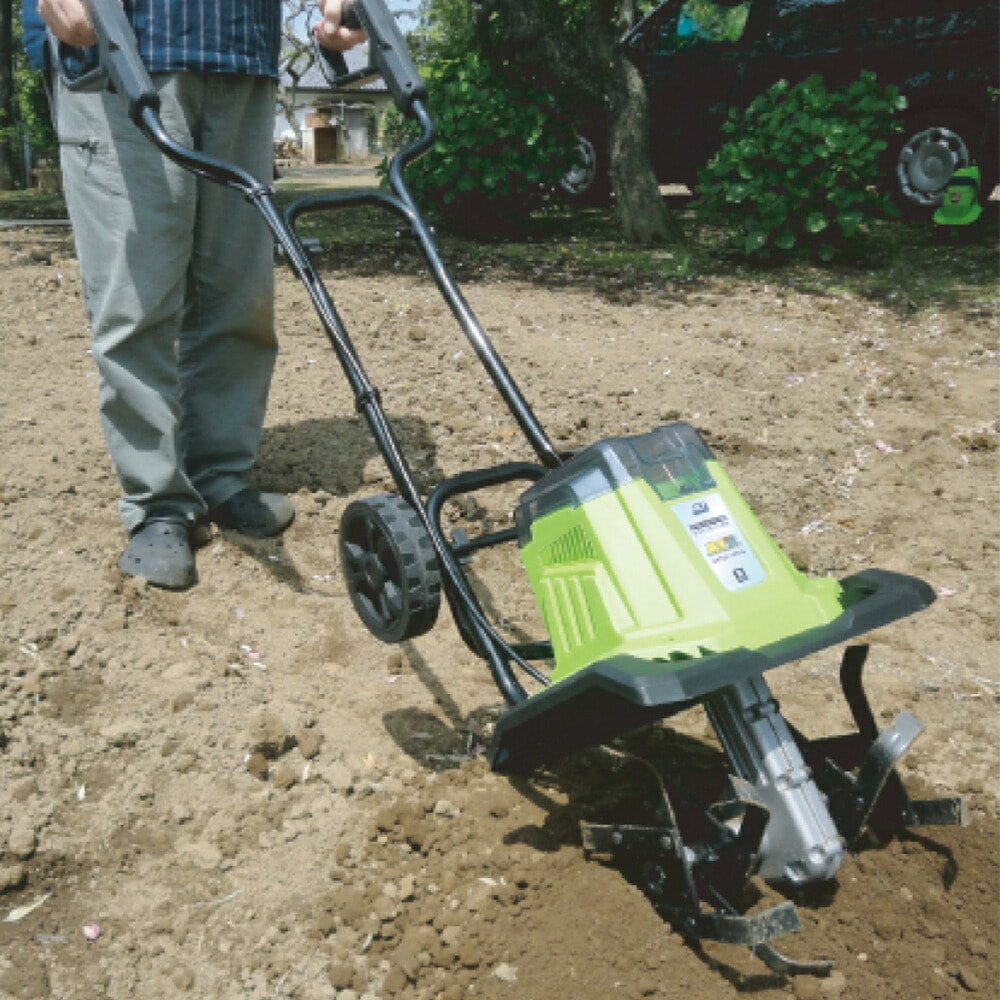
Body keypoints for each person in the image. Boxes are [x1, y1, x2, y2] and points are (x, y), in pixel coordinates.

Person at [23, 0, 365, 590]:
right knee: (137, 296)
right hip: (123, 45)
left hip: (242, 50)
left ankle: (220, 476)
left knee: (238, 295)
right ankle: (156, 502)